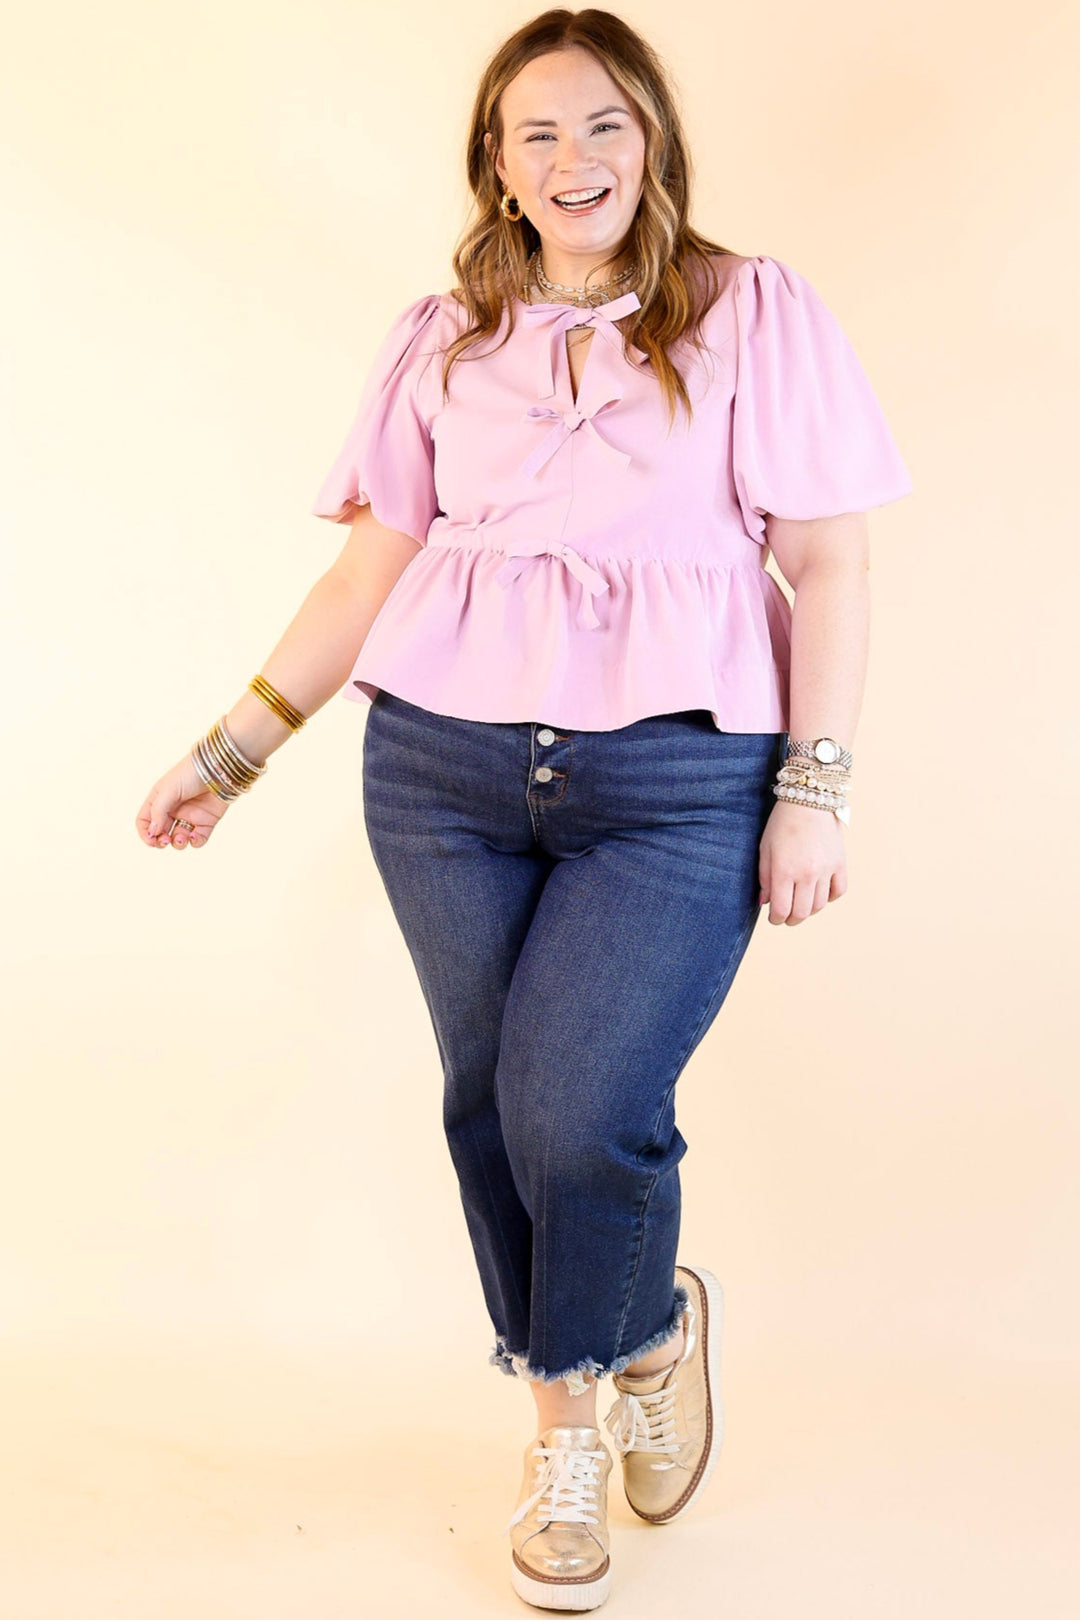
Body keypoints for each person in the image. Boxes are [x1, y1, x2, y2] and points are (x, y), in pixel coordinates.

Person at [135, 8, 912, 1611]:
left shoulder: (753, 314)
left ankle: (640, 1331)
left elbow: (828, 563)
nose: (576, 160)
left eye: (606, 126)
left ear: (656, 142)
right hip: (444, 773)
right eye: (538, 132)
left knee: (579, 1105)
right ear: (495, 159)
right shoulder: (442, 338)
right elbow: (371, 570)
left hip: (681, 780)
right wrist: (229, 754)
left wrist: (816, 791)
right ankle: (573, 1418)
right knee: (489, 1104)